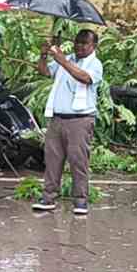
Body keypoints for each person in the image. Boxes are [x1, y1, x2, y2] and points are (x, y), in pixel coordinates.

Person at [31, 30, 104, 216]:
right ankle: (48, 197)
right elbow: (45, 72)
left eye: (84, 43)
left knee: (78, 162)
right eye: (77, 42)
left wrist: (62, 60)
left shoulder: (95, 64)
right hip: (57, 117)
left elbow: (85, 78)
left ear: (93, 46)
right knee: (52, 159)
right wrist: (44, 55)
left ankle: (80, 201)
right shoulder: (67, 58)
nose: (79, 46)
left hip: (80, 120)